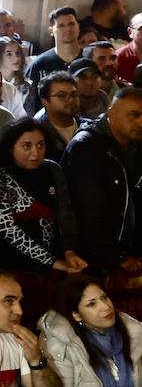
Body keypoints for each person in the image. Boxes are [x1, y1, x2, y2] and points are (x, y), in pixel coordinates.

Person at [0, 118, 87, 274]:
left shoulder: (52, 169)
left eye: (40, 145)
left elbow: (66, 214)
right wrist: (52, 262)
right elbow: (7, 228)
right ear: (10, 147)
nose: (36, 152)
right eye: (27, 146)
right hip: (8, 264)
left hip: (52, 262)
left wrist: (69, 251)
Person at [62, 86, 142, 269]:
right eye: (134, 115)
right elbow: (88, 215)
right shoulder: (85, 148)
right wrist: (117, 257)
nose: (141, 122)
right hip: (95, 258)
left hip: (130, 248)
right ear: (111, 113)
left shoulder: (137, 144)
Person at [24, 6, 84, 111]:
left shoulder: (90, 59)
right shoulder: (39, 65)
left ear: (78, 27)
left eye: (71, 24)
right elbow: (30, 104)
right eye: (61, 25)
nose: (68, 29)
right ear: (51, 30)